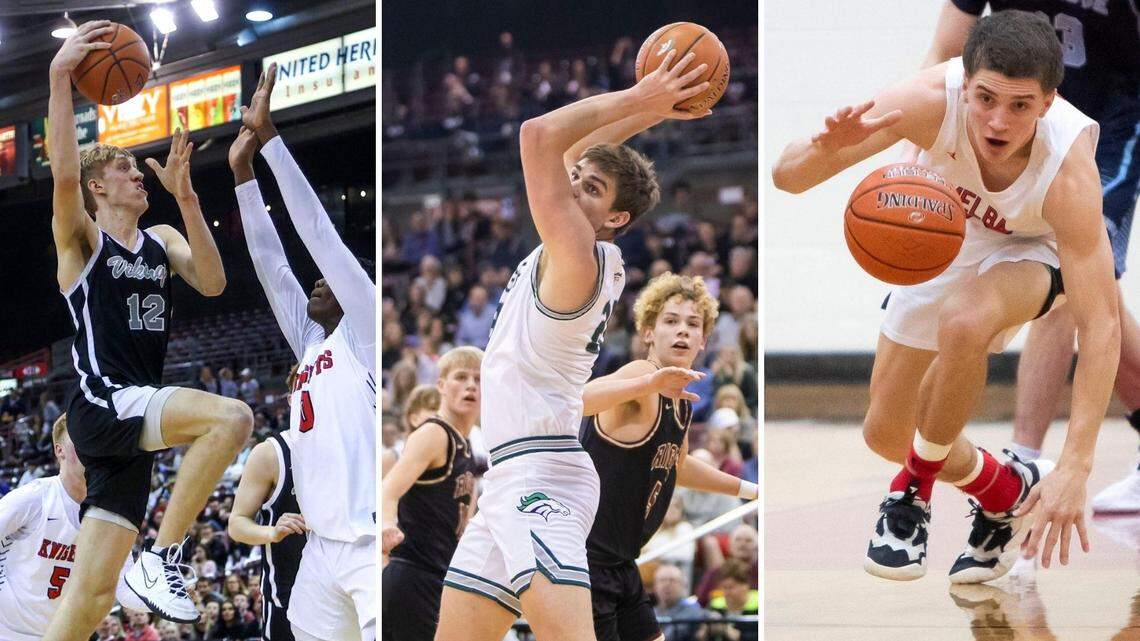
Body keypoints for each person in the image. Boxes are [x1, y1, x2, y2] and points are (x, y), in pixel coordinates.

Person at [772, 10, 1118, 582]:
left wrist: (1078, 463)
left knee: (964, 320)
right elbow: (787, 178)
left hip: (1039, 248)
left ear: (1048, 103)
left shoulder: (1069, 170)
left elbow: (1101, 322)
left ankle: (910, 497)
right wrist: (823, 149)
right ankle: (1005, 489)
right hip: (949, 230)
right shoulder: (926, 100)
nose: (998, 121)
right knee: (886, 432)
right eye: (985, 99)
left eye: (1020, 105)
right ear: (964, 83)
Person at [435, 47, 712, 641]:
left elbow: (538, 136)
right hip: (510, 477)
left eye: (592, 189)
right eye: (578, 181)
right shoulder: (584, 246)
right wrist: (653, 110)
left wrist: (641, 99)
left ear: (616, 218)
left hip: (543, 480)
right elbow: (566, 150)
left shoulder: (576, 257)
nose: (574, 188)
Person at [43, 21, 254, 636]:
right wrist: (60, 77)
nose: (141, 176)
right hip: (103, 402)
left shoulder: (161, 239)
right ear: (97, 187)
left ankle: (146, 566)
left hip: (129, 417)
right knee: (232, 418)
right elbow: (60, 175)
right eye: (128, 170)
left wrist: (188, 200)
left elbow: (213, 284)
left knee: (90, 597)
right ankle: (163, 559)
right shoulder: (84, 241)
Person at [918, 0, 1140, 516]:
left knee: (1067, 281)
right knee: (1096, 294)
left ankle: (1024, 459)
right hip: (1016, 126)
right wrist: (918, 148)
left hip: (1109, 126)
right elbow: (948, 48)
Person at [230, 63, 376, 641]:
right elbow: (271, 264)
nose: (315, 282)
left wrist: (269, 140)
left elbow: (317, 231)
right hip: (321, 545)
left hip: (367, 541)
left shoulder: (362, 333)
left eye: (328, 280)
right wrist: (242, 176)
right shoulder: (312, 341)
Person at [579, 273, 757, 641]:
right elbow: (577, 400)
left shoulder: (681, 399)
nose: (682, 331)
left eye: (693, 324)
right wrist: (647, 384)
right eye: (671, 321)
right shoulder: (642, 374)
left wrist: (751, 490)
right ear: (648, 332)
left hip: (621, 563)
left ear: (704, 339)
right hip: (585, 562)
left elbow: (678, 466)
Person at [0, 416, 143, 640]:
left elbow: (125, 591)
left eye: (94, 442)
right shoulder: (35, 497)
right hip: (9, 630)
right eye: (82, 442)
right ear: (60, 451)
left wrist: (162, 597)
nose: (91, 450)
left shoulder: (110, 512)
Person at [381, 346, 481, 641]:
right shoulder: (434, 433)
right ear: (441, 386)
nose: (471, 385)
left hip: (439, 578)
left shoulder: (468, 444)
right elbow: (388, 489)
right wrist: (387, 524)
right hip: (413, 575)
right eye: (461, 377)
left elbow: (464, 525)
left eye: (478, 378)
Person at [228, 430, 305, 641]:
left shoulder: (350, 441)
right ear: (292, 398)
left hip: (341, 586)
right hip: (287, 594)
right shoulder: (271, 453)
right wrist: (271, 532)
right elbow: (237, 523)